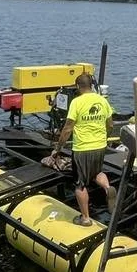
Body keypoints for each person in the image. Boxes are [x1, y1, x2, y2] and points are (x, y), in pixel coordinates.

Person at [54, 72, 117, 226]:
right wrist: (105, 138)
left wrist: (58, 147)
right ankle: (108, 188)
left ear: (77, 86)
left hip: (82, 148)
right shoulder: (102, 100)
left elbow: (68, 128)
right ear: (92, 85)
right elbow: (110, 125)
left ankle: (85, 218)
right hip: (100, 146)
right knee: (96, 172)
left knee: (80, 183)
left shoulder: (76, 102)